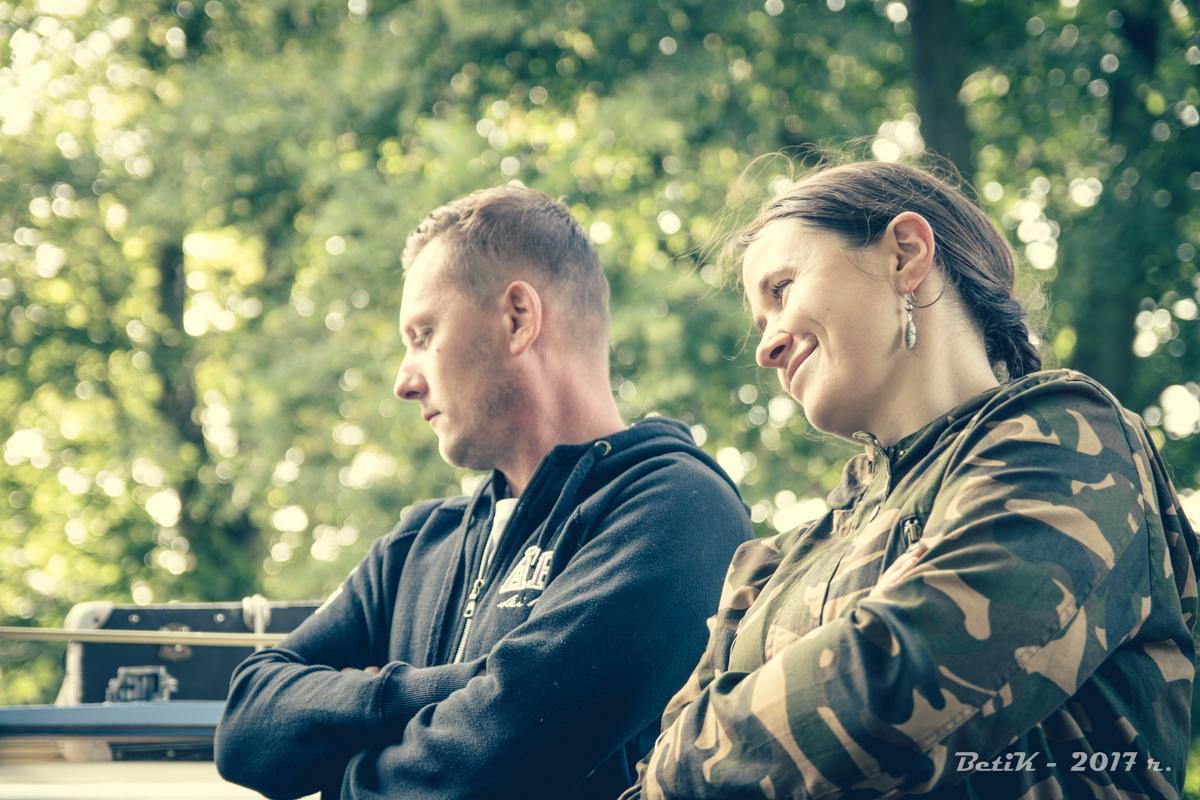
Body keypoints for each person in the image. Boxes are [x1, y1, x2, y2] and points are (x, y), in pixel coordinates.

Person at [622, 160, 1200, 799]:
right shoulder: (769, 566)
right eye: (760, 324)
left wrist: (699, 743)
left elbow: (900, 686)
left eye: (781, 289)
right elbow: (647, 777)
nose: (765, 349)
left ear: (905, 254)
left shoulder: (1069, 436)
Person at [214, 186, 752, 799]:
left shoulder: (676, 508)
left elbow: (488, 770)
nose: (403, 382)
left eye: (423, 335)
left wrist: (342, 770)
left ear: (517, 318)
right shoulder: (418, 543)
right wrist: (437, 689)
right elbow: (246, 723)